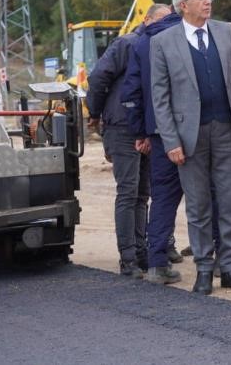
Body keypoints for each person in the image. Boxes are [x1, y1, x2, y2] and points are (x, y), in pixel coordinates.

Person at [151, 0, 231, 295]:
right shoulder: (163, 42)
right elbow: (161, 97)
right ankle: (204, 269)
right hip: (188, 136)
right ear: (183, 6)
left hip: (227, 130)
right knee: (198, 205)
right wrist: (171, 141)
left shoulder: (225, 33)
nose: (207, 1)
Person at [86, 14, 156, 278]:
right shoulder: (126, 44)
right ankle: (128, 257)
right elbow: (97, 78)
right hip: (123, 126)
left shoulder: (154, 45)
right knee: (129, 191)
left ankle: (140, 251)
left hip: (146, 127)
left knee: (141, 192)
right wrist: (95, 112)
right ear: (148, 20)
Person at [122, 3, 187, 284]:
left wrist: (141, 131)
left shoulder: (142, 41)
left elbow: (133, 90)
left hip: (159, 130)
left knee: (163, 196)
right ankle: (219, 260)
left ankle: (157, 263)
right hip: (197, 126)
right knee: (211, 193)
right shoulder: (191, 32)